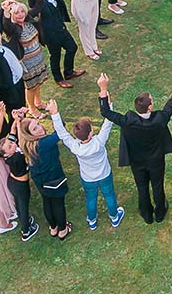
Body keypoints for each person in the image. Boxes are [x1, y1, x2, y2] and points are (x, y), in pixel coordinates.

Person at [98, 63, 172, 224]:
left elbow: (106, 112)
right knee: (157, 186)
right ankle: (160, 213)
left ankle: (147, 215)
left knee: (142, 187)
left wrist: (103, 89)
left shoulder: (128, 121)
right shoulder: (160, 119)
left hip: (137, 161)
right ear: (150, 107)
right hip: (156, 160)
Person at [49, 92, 124, 230]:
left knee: (91, 198)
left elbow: (62, 133)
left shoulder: (75, 146)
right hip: (105, 175)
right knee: (109, 195)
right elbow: (108, 123)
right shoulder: (99, 142)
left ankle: (92, 221)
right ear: (91, 133)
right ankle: (114, 218)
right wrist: (109, 104)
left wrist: (55, 114)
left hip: (88, 178)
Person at [15, 115, 72, 240]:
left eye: (38, 124)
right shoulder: (45, 143)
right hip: (54, 178)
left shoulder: (27, 145)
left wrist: (18, 122)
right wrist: (55, 114)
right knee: (58, 204)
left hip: (40, 181)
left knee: (47, 201)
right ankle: (62, 229)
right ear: (29, 134)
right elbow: (60, 131)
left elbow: (21, 138)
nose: (40, 128)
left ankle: (53, 228)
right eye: (35, 129)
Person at [28, 0, 86, 89]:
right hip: (50, 36)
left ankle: (69, 72)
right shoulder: (38, 2)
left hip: (61, 29)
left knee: (72, 47)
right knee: (55, 56)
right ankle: (58, 78)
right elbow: (31, 2)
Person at [0, 0, 48, 114]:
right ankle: (32, 108)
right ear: (12, 15)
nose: (20, 15)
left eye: (22, 11)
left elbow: (38, 7)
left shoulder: (28, 21)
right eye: (16, 13)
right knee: (31, 87)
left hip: (38, 57)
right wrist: (6, 11)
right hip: (27, 63)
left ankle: (38, 102)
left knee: (39, 82)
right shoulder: (13, 29)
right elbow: (6, 24)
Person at [0, 135, 39, 241]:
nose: (13, 144)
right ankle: (26, 231)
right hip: (20, 186)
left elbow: (14, 138)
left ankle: (25, 220)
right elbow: (25, 150)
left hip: (12, 182)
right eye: (10, 146)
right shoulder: (17, 157)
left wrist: (16, 122)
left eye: (11, 143)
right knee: (23, 207)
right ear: (6, 154)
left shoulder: (10, 157)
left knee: (19, 204)